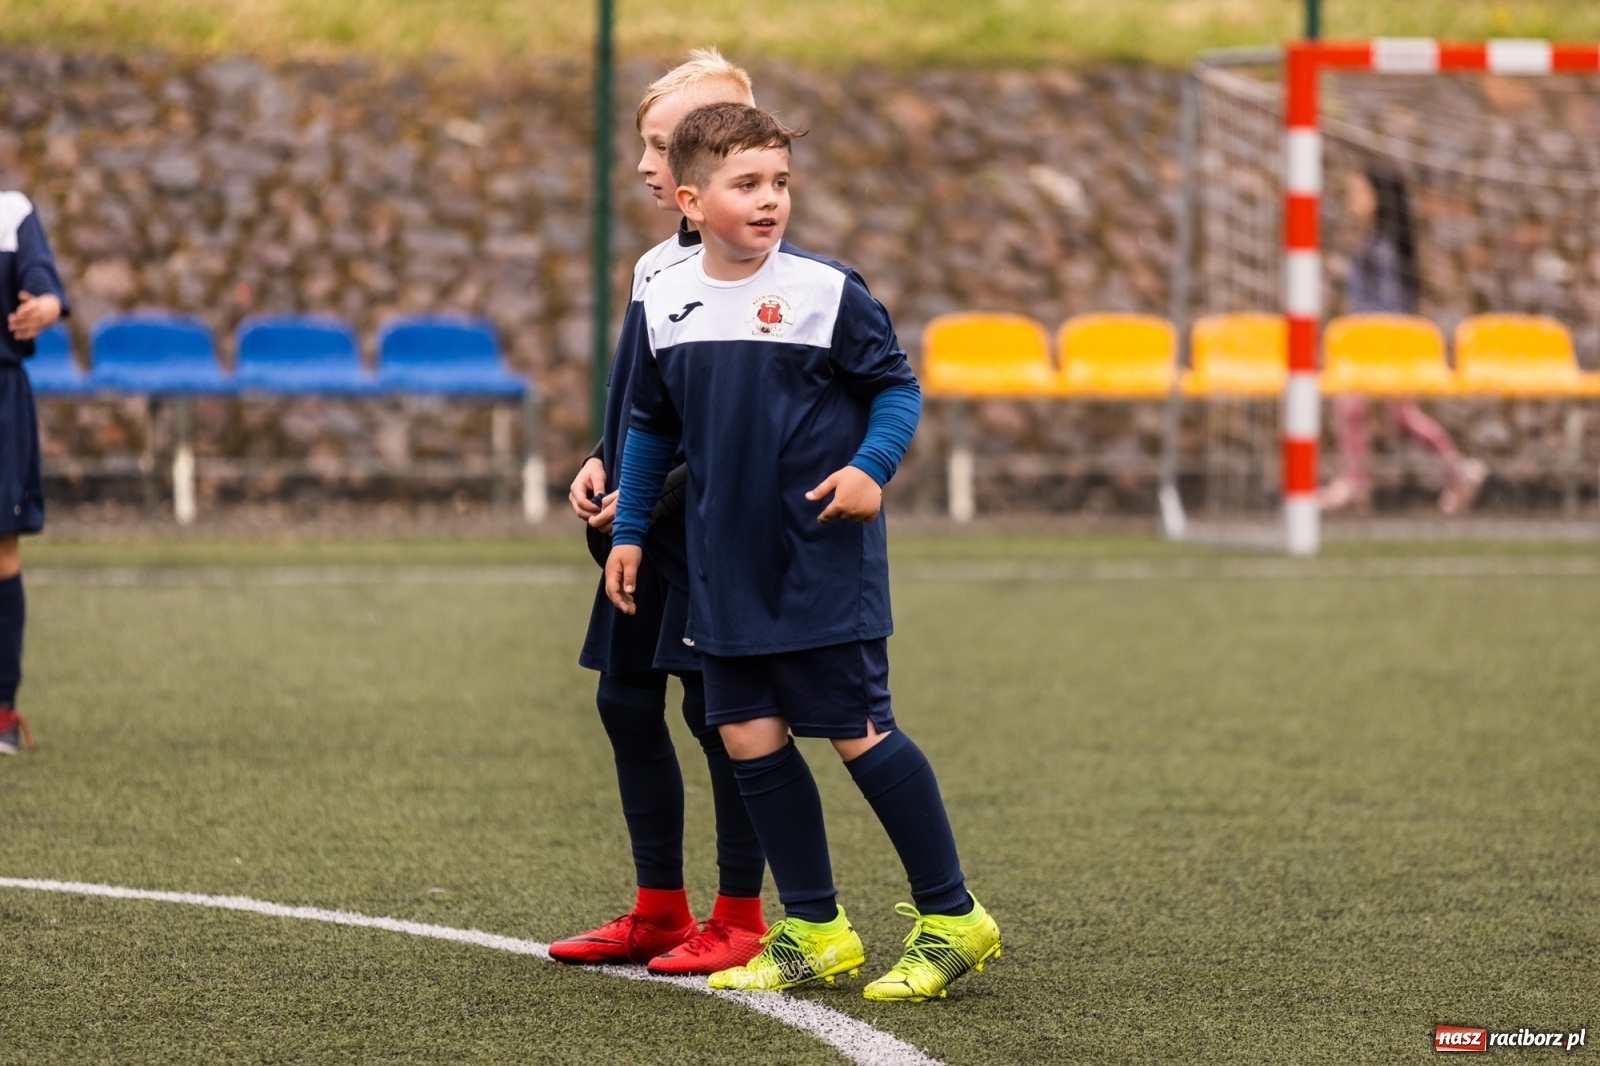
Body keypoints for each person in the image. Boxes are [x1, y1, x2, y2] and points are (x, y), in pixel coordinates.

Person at [605, 103, 1001, 1002]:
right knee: (745, 734)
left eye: (780, 182)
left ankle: (952, 915)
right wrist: (630, 532)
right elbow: (649, 425)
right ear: (691, 199)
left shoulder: (828, 291)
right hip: (720, 565)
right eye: (748, 184)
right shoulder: (665, 297)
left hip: (821, 560)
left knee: (858, 733)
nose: (772, 200)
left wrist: (871, 466)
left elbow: (894, 387)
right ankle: (815, 929)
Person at [553, 50, 769, 976]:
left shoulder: (765, 274)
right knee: (624, 700)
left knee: (724, 717)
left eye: (657, 145)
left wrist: (646, 503)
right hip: (643, 529)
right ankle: (657, 908)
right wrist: (603, 461)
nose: (644, 166)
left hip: (709, 534)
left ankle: (741, 915)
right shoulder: (655, 265)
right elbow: (647, 401)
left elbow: (736, 430)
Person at [1320, 168, 1486, 514]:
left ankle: (1354, 481)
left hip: (1382, 346)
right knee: (1399, 416)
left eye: (1357, 193)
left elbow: (1388, 306)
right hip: (1375, 345)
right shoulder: (1368, 244)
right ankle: (1457, 468)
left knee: (1355, 408)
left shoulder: (1380, 250)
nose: (1351, 201)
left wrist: (1366, 340)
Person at [1, 191, 69, 755]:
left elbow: (45, 287)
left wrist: (45, 308)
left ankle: (2, 709)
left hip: (2, 397)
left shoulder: (12, 213)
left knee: (1, 551)